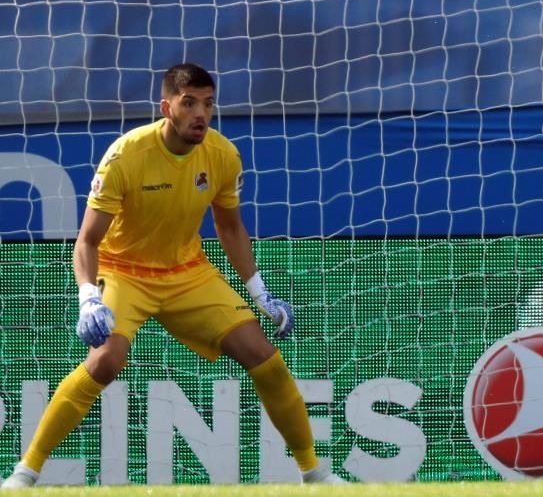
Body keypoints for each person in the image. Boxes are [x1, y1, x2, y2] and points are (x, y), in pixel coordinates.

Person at [2, 63, 342, 488]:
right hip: (125, 273)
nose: (201, 113)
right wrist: (88, 296)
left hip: (187, 272)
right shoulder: (126, 155)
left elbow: (230, 227)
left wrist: (260, 293)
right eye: (189, 103)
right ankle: (25, 473)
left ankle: (315, 474)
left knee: (265, 358)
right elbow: (86, 241)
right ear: (167, 107)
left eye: (208, 104)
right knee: (105, 360)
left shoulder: (222, 155)